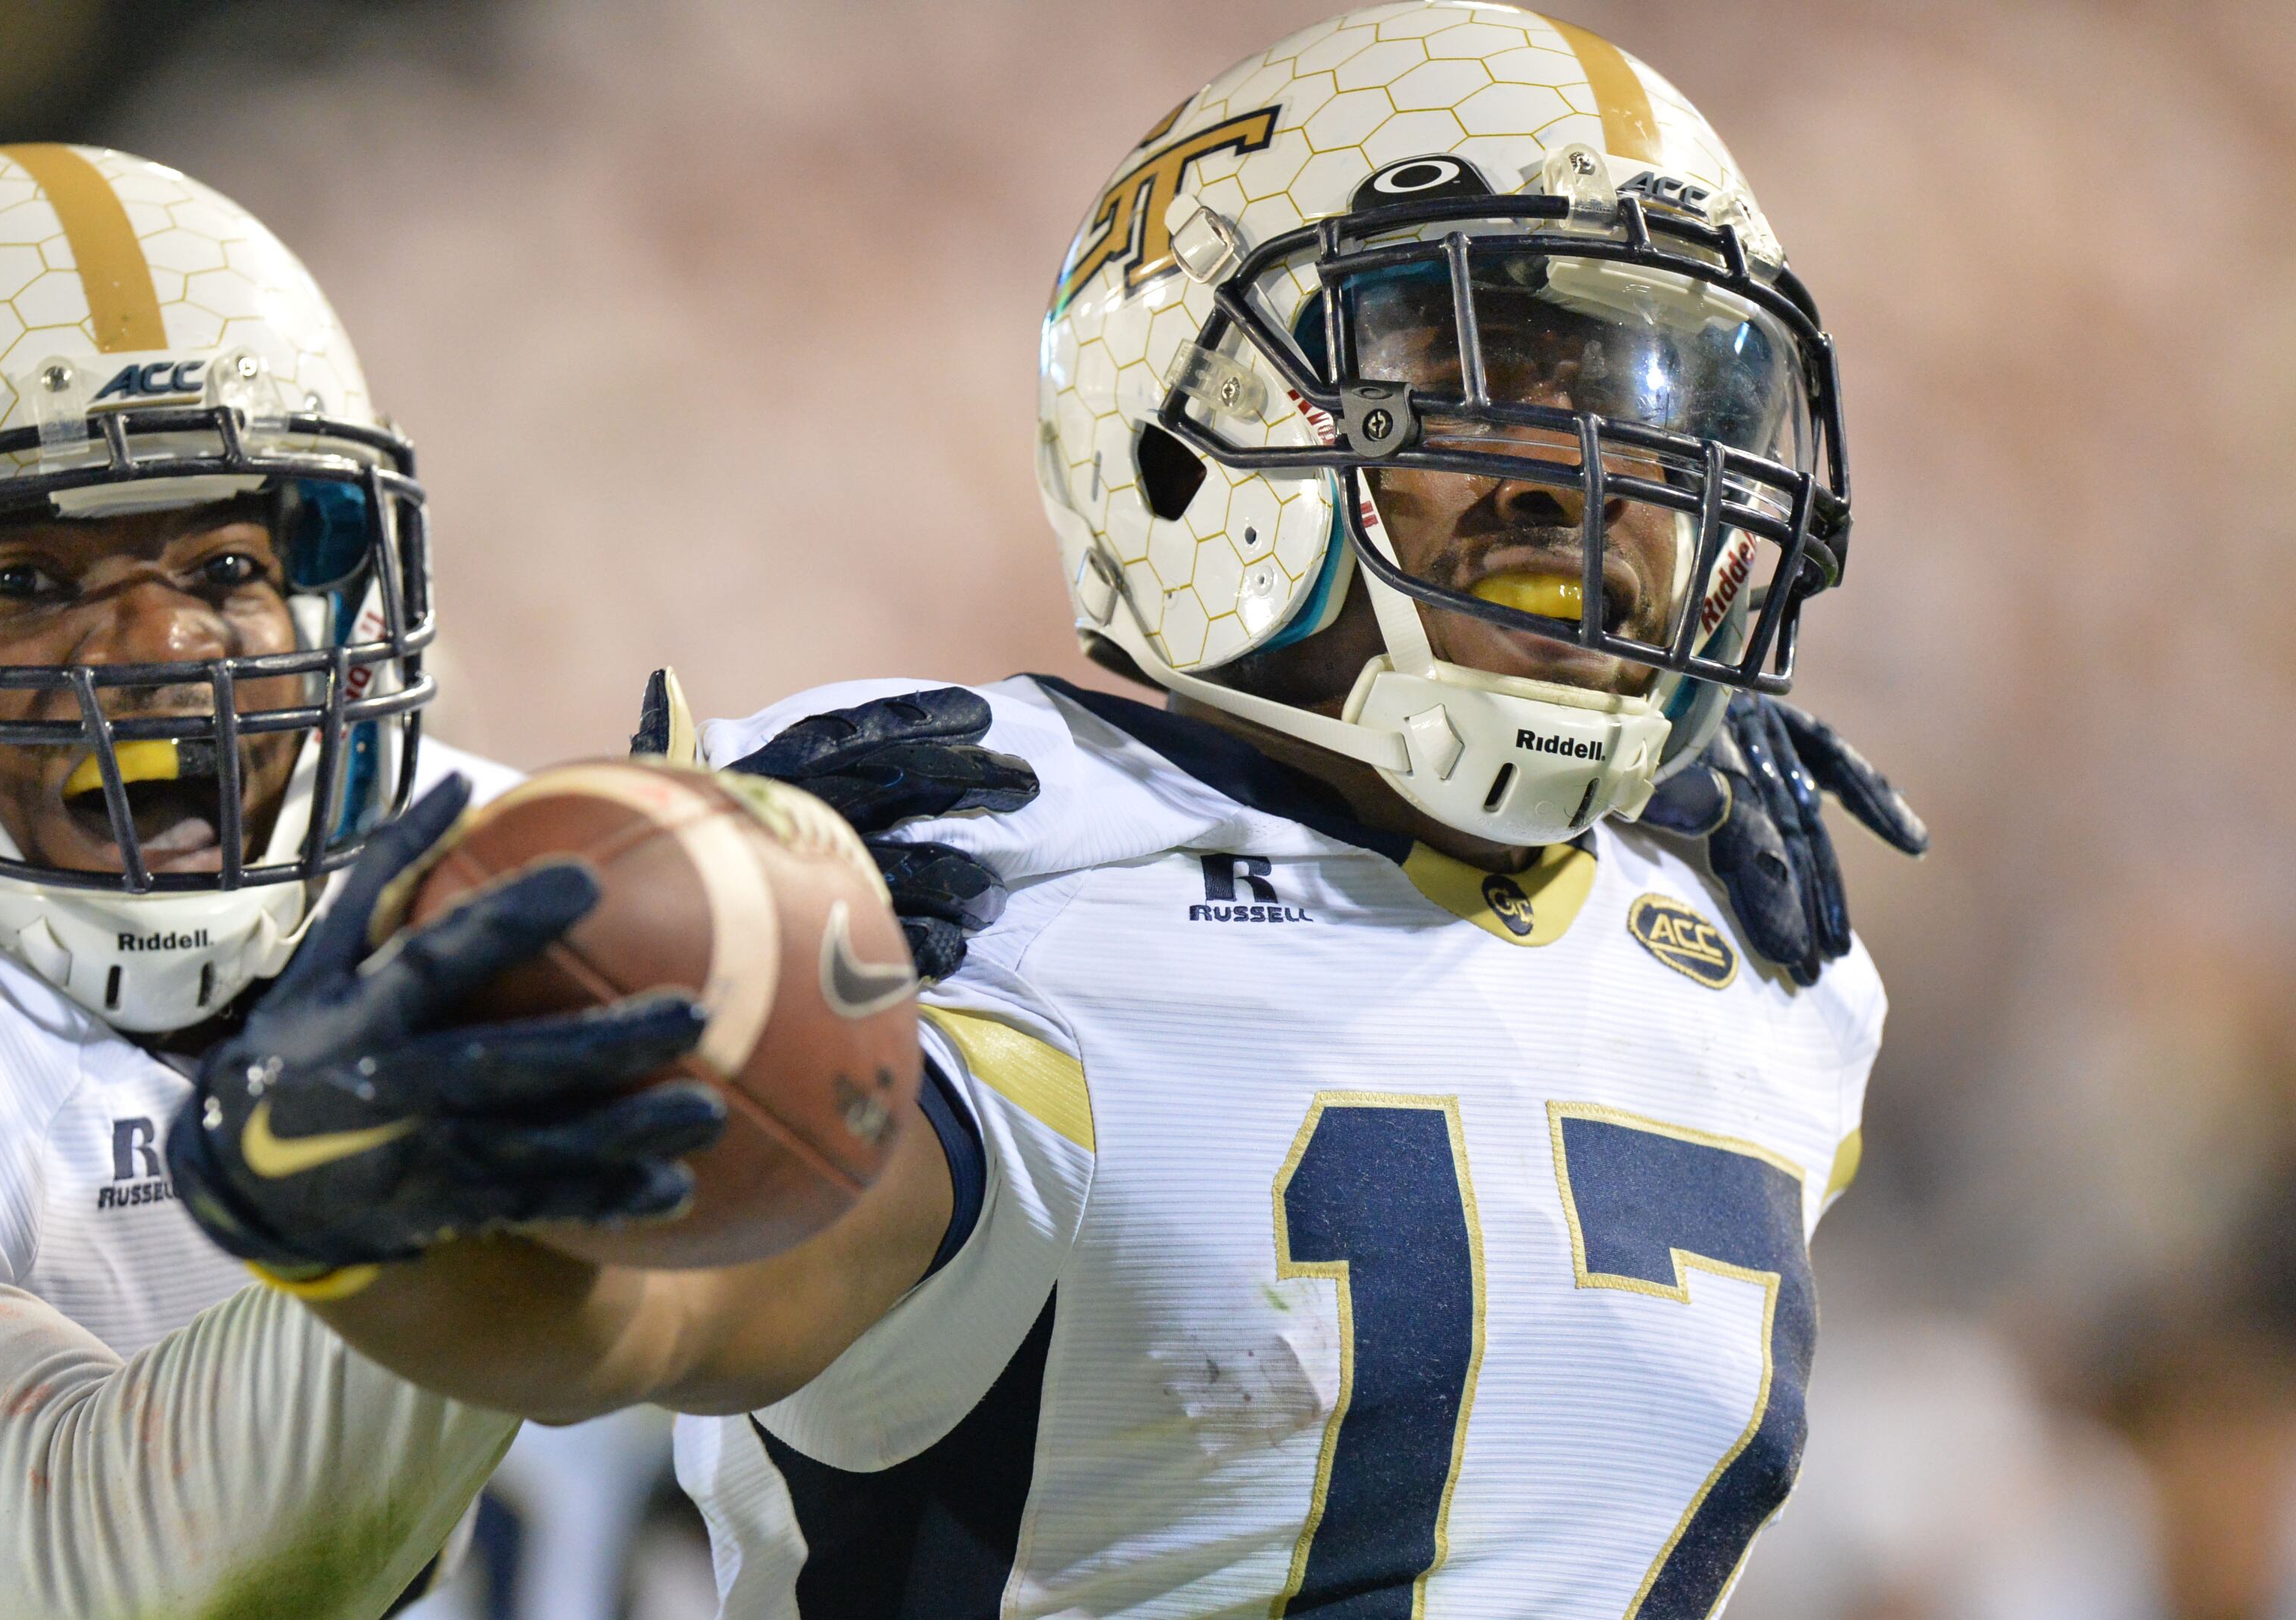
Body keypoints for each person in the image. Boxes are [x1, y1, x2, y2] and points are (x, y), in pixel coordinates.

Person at [167, 8, 1929, 1618]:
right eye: (1488, 369)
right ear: (1189, 428)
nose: (1591, 465)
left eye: (1660, 398)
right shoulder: (984, 877)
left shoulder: (1766, 971)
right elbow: (638, 1311)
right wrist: (354, 1211)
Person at [0, 145, 1020, 1620]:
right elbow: (103, 1568)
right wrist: (441, 1193)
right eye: (30, 582)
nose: (167, 648)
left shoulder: (478, 880)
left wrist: (813, 1010)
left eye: (229, 568)